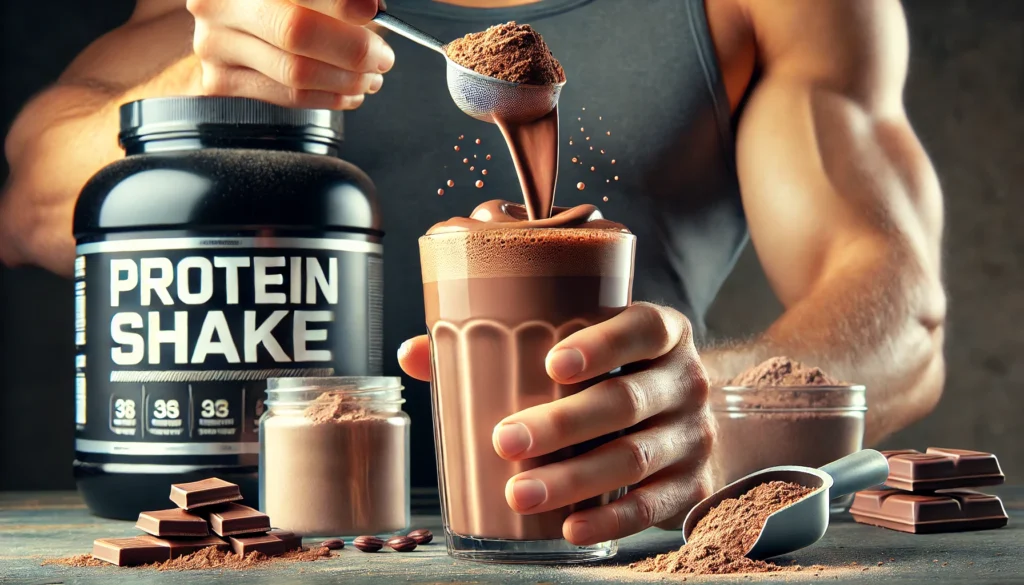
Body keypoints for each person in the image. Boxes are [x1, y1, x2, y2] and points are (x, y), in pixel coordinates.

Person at [1, 0, 945, 546]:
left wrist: (710, 404)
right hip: (277, 544)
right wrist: (194, 88)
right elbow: (34, 201)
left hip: (610, 541)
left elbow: (899, 315)